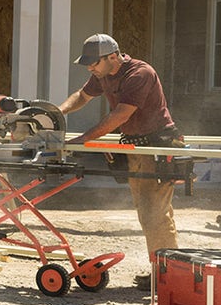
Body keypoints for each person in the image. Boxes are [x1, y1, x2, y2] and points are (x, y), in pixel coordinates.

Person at [58, 33, 182, 289]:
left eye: (94, 63)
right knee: (149, 212)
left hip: (157, 146)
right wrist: (57, 111)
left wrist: (85, 139)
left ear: (112, 57)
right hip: (138, 146)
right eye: (88, 64)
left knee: (154, 213)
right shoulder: (103, 74)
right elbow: (82, 96)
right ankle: (163, 270)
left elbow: (121, 115)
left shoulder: (140, 74)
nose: (91, 68)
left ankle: (167, 275)